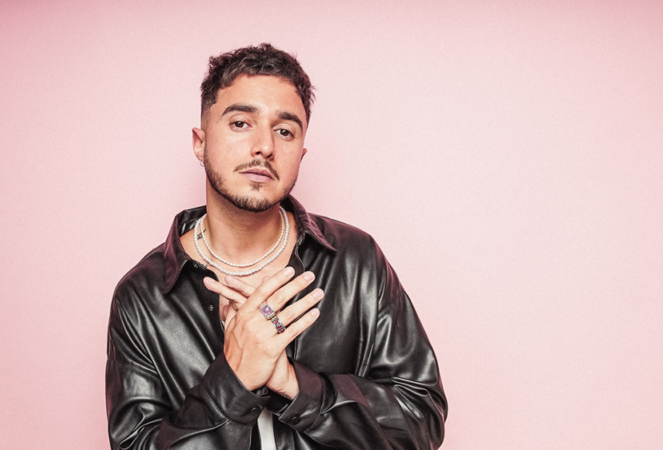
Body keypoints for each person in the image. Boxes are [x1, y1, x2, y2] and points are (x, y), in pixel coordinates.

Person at [105, 43, 447, 449]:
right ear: (200, 142)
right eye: (240, 123)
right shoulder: (143, 297)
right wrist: (233, 380)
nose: (264, 146)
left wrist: (294, 385)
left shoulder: (356, 260)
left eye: (284, 131)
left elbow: (421, 422)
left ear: (300, 153)